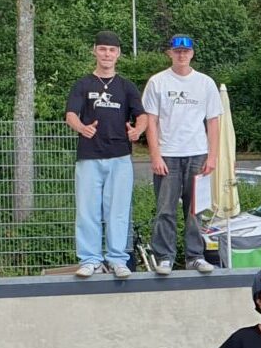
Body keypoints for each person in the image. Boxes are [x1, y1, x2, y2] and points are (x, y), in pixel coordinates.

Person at [65, 30, 146, 279]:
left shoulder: (126, 86)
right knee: (87, 211)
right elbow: (71, 115)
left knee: (118, 211)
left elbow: (142, 115)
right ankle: (90, 259)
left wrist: (138, 131)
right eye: (102, 49)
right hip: (89, 156)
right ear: (95, 51)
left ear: (118, 54)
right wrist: (82, 127)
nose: (107, 54)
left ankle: (117, 259)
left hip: (120, 157)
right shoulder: (83, 84)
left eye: (111, 50)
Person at [143, 34, 221, 275]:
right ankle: (164, 256)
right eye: (177, 51)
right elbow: (151, 122)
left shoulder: (205, 83)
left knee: (195, 209)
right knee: (165, 209)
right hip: (168, 154)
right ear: (170, 53)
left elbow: (214, 122)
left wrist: (212, 156)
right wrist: (155, 156)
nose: (181, 55)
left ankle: (195, 256)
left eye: (186, 51)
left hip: (197, 153)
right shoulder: (158, 82)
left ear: (192, 54)